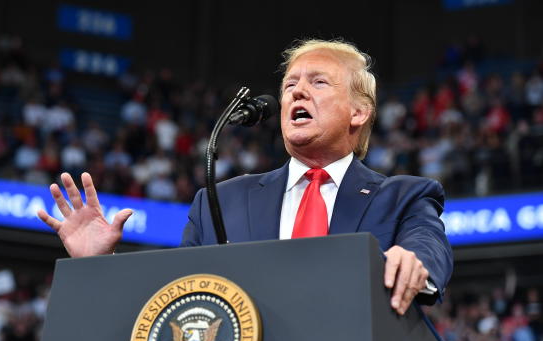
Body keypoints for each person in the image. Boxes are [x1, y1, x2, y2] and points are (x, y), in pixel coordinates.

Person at [37, 39, 452, 315]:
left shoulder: (404, 196)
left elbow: (428, 246)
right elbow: (179, 302)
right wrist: (98, 266)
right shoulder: (222, 200)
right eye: (290, 84)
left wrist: (414, 262)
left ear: (359, 112)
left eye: (318, 82)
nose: (296, 92)